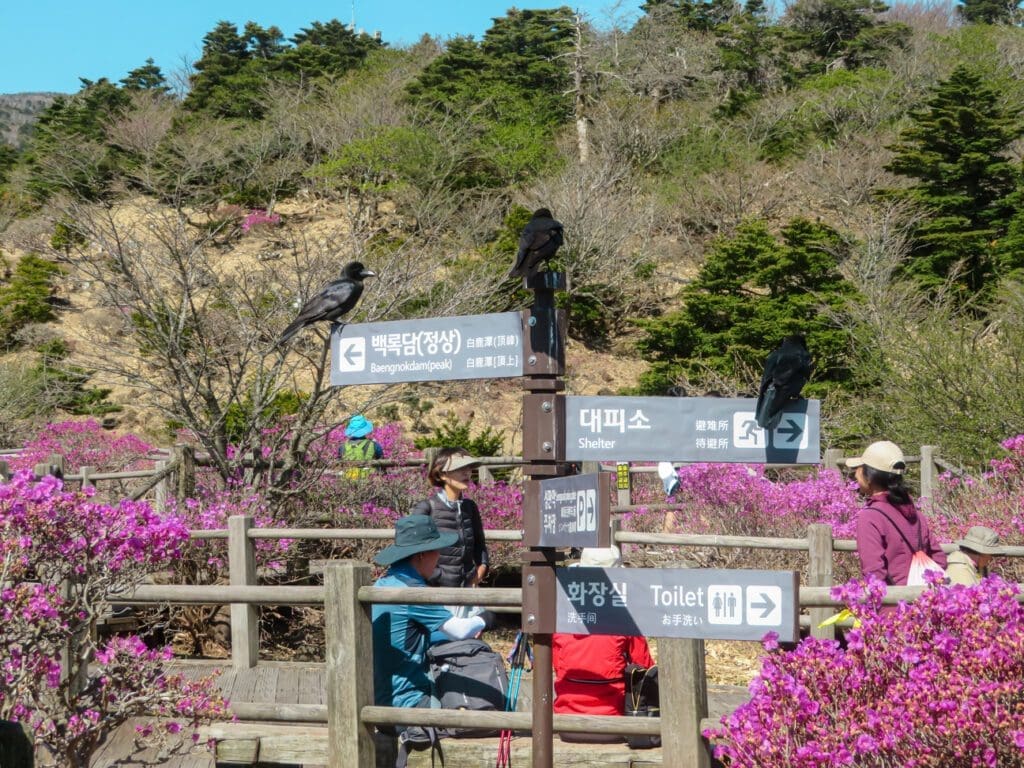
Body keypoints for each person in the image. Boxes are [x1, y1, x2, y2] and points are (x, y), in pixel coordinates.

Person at [371, 515, 487, 712]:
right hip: (410, 701)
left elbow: (410, 636)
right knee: (485, 707)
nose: (439, 558)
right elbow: (460, 630)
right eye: (436, 551)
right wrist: (487, 619)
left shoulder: (384, 583)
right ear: (422, 555)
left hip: (380, 696)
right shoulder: (413, 591)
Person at [552, 546, 655, 744]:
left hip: (566, 724)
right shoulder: (625, 618)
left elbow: (557, 665)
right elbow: (645, 668)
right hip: (614, 724)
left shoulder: (562, 618)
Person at [850, 440, 947, 586]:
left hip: (893, 604)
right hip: (923, 602)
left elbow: (874, 574)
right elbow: (939, 559)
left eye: (860, 467)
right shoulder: (915, 514)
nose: (856, 472)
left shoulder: (870, 516)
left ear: (869, 476)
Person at [410, 448, 489, 588]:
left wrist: (481, 569)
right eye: (459, 468)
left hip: (468, 588)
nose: (467, 473)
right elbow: (412, 549)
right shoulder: (426, 507)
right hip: (436, 592)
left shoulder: (470, 507)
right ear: (442, 474)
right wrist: (438, 576)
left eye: (469, 468)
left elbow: (479, 545)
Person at [340, 414, 383, 479]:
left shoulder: (342, 447)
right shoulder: (374, 445)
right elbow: (382, 462)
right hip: (370, 481)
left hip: (347, 481)